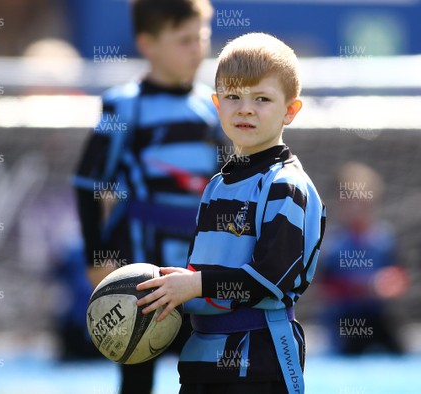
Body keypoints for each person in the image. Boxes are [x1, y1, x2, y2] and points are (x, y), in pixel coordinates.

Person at [135, 32, 326, 394]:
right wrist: (167, 290)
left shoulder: (285, 185)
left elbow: (273, 279)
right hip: (200, 362)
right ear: (216, 104)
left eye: (262, 98)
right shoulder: (217, 185)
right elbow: (204, 271)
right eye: (233, 97)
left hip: (258, 362)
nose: (246, 108)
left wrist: (195, 284)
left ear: (290, 110)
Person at [73, 1, 221, 393]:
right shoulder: (124, 105)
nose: (196, 49)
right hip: (139, 262)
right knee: (138, 362)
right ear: (148, 43)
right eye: (184, 40)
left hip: (194, 264)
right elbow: (88, 184)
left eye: (201, 38)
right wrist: (96, 256)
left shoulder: (215, 108)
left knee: (203, 365)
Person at [318, 162, 406, 355]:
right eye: (351, 202)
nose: (357, 208)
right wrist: (356, 288)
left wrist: (385, 286)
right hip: (345, 318)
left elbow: (399, 276)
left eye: (363, 202)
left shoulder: (385, 238)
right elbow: (324, 287)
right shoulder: (333, 243)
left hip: (379, 316)